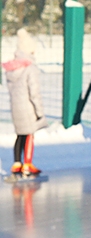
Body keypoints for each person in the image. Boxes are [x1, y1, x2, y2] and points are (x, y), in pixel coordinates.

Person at [3, 29, 48, 177]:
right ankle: (28, 164)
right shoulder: (30, 69)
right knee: (29, 135)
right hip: (28, 107)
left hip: (15, 106)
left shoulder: (11, 69)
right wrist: (40, 112)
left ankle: (17, 163)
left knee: (20, 135)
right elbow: (34, 93)